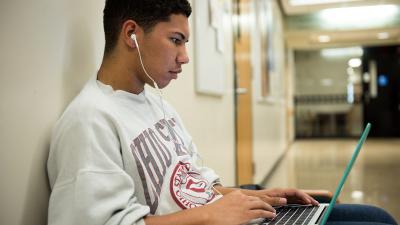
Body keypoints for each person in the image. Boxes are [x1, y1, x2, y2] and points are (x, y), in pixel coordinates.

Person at [47, 0, 397, 225]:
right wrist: (212, 215)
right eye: (176, 40)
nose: (184, 56)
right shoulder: (90, 119)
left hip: (225, 216)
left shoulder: (156, 103)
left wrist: (253, 197)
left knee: (377, 216)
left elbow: (195, 184)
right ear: (131, 35)